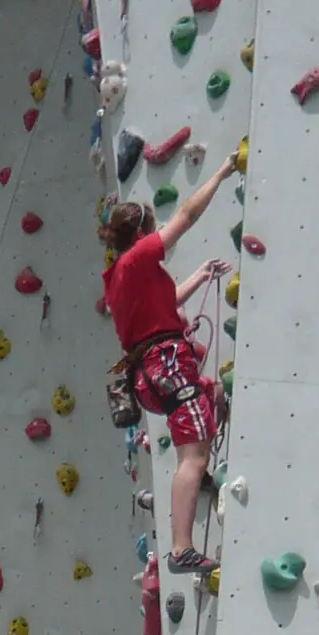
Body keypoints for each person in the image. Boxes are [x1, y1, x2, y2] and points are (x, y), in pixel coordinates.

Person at [100, 152, 239, 578]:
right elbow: (186, 214)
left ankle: (199, 483)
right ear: (141, 233)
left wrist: (198, 276)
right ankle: (182, 547)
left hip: (151, 371)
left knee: (213, 393)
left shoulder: (120, 277)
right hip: (167, 364)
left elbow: (162, 307)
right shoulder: (140, 257)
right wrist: (222, 171)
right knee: (191, 456)